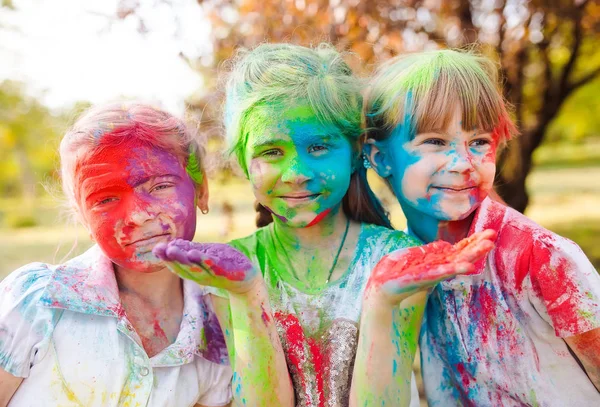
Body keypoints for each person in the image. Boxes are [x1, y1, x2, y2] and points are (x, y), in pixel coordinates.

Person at [156, 43, 495, 407]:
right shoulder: (230, 269)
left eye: (318, 147)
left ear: (355, 153)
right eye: (271, 152)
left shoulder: (396, 259)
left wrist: (382, 303)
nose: (297, 173)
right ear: (242, 162)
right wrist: (246, 295)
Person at [363, 49, 600, 406]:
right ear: (381, 158)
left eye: (479, 142)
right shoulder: (401, 266)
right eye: (435, 142)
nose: (463, 163)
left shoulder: (541, 256)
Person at [0, 102, 232, 407]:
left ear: (200, 189)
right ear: (82, 216)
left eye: (160, 185)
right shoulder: (37, 301)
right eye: (106, 199)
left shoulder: (215, 322)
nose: (137, 215)